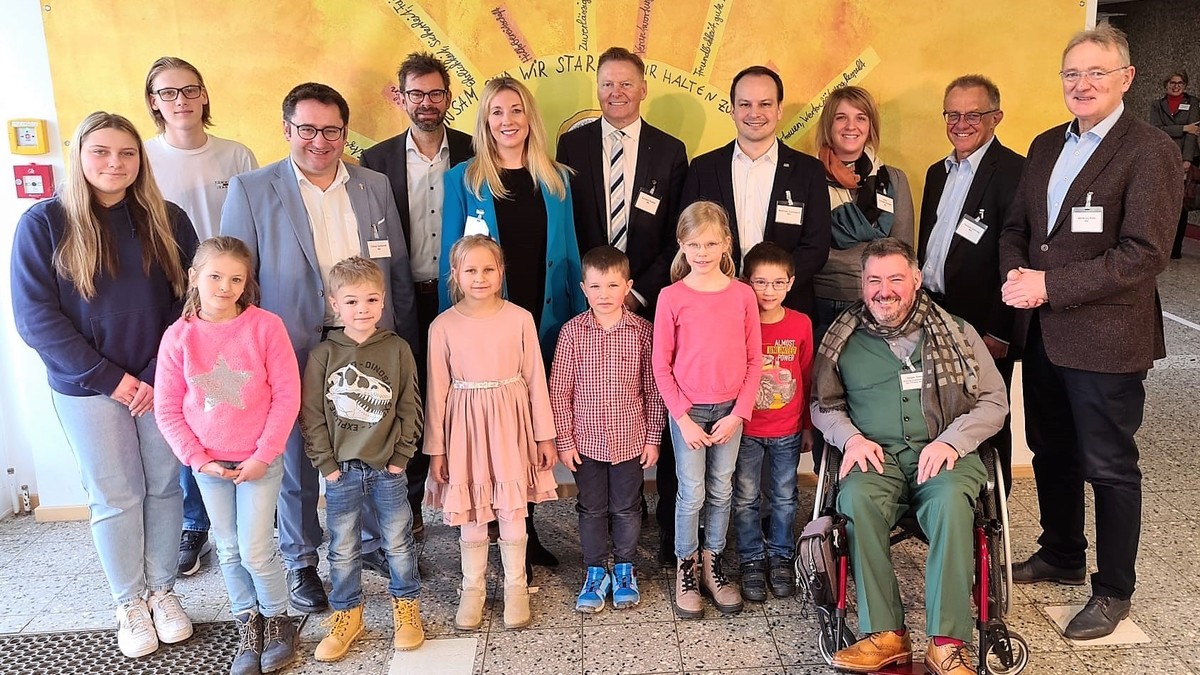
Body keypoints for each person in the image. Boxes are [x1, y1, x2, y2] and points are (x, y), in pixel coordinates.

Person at [1000, 25, 1183, 640]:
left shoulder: (1150, 149)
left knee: (1108, 466)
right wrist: (1015, 277)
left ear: (1126, 79)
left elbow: (1144, 254)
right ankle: (1060, 552)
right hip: (1044, 334)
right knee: (1051, 449)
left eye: (1096, 73)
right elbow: (1016, 229)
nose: (1082, 84)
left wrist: (1049, 286)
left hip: (1107, 339)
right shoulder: (1047, 144)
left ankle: (1113, 590)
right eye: (1072, 74)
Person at [221, 82, 418, 613]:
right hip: (293, 343)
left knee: (372, 441)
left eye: (330, 130)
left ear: (344, 133)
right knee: (301, 456)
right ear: (287, 130)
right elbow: (240, 281)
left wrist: (400, 335)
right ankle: (302, 560)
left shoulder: (373, 185)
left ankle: (373, 543)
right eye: (306, 129)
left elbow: (393, 263)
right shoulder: (251, 188)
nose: (319, 140)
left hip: (365, 338)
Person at [10, 112, 198, 658]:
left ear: (141, 160)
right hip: (88, 389)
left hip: (160, 380)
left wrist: (156, 375)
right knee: (116, 495)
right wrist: (114, 381)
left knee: (165, 488)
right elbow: (36, 320)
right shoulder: (44, 223)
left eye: (127, 153)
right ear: (79, 156)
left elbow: (189, 303)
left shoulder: (167, 218)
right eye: (101, 152)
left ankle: (162, 590)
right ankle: (129, 601)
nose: (115, 163)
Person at [811, 238, 1007, 675]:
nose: (885, 290)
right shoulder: (842, 338)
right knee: (856, 501)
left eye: (896, 278)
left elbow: (994, 401)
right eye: (874, 280)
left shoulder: (957, 332)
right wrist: (850, 439)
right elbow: (823, 405)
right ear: (862, 285)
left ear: (916, 280)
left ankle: (946, 642)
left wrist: (951, 441)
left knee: (953, 506)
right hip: (876, 458)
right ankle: (886, 634)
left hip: (945, 456)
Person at [439, 76, 586, 571]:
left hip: (542, 321)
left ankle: (523, 527)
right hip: (485, 326)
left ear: (531, 118)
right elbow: (452, 258)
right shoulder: (464, 178)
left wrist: (571, 322)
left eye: (517, 110)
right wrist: (453, 325)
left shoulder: (557, 178)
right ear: (485, 120)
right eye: (498, 112)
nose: (508, 121)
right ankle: (491, 527)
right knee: (490, 431)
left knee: (525, 428)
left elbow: (568, 253)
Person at [555, 47, 688, 565]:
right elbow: (568, 223)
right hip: (591, 295)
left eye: (626, 84)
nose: (616, 93)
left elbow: (675, 233)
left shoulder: (669, 150)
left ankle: (652, 513)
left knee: (648, 384)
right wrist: (595, 287)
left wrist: (638, 290)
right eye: (607, 84)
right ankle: (601, 513)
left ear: (642, 88)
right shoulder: (572, 144)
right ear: (598, 89)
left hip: (645, 294)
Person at [154, 237, 299, 675]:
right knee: (229, 547)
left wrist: (265, 453)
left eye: (236, 279)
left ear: (246, 283)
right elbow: (168, 406)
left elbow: (287, 395)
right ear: (193, 277)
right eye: (215, 276)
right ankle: (247, 623)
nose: (225, 286)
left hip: (259, 460)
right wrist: (197, 459)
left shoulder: (266, 326)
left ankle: (278, 619)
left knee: (256, 548)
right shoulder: (178, 337)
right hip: (209, 465)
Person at [142, 55, 259, 578]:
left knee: (242, 398)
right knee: (195, 405)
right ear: (154, 102)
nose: (181, 101)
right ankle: (197, 522)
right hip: (175, 298)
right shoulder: (142, 159)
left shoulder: (235, 155)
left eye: (190, 90)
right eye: (168, 93)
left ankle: (256, 510)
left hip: (234, 299)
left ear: (205, 95)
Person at [359, 52, 474, 538]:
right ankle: (408, 512)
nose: (427, 103)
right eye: (417, 94)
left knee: (463, 395)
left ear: (449, 98)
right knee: (407, 397)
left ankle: (467, 498)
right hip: (402, 297)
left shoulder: (475, 148)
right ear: (401, 97)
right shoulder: (377, 160)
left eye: (436, 93)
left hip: (461, 297)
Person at [424, 235, 559, 631]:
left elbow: (536, 378)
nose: (480, 277)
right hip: (465, 428)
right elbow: (436, 391)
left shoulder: (519, 318)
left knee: (513, 507)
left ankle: (516, 587)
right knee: (473, 511)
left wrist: (544, 435)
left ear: (501, 272)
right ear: (455, 275)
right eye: (470, 270)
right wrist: (438, 449)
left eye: (488, 269)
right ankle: (473, 588)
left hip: (512, 423)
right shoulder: (442, 326)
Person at [302, 256, 424, 660]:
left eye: (371, 300)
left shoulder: (397, 348)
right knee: (342, 547)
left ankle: (406, 608)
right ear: (335, 304)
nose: (362, 309)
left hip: (388, 468)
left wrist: (401, 457)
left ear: (383, 300)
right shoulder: (322, 355)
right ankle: (347, 613)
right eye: (351, 301)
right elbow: (313, 416)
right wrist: (328, 467)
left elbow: (410, 405)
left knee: (398, 542)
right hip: (341, 472)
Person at [653, 201, 761, 619]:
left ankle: (713, 564)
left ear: (726, 244)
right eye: (693, 244)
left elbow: (755, 360)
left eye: (711, 243)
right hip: (688, 414)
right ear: (682, 244)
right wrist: (681, 418)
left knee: (721, 487)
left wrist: (738, 413)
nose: (702, 252)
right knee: (692, 490)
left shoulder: (742, 296)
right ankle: (687, 565)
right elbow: (661, 365)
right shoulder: (671, 297)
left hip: (731, 411)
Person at [916, 74, 1023, 493]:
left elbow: (1017, 256)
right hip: (935, 312)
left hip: (985, 321)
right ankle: (946, 494)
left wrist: (1001, 329)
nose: (961, 123)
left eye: (973, 114)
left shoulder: (1015, 172)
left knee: (989, 412)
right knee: (939, 408)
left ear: (995, 117)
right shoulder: (936, 173)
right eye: (953, 114)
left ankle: (993, 506)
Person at [549, 245, 666, 613]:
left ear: (627, 287)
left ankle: (626, 568)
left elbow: (654, 390)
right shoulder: (571, 334)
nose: (604, 295)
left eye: (613, 286)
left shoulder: (643, 333)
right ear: (583, 288)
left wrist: (652, 437)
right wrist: (564, 442)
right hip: (585, 443)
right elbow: (560, 391)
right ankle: (596, 570)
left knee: (628, 509)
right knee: (591, 508)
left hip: (630, 441)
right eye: (596, 287)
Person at [681, 65, 832, 317]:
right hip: (715, 307)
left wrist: (772, 288)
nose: (755, 113)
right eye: (745, 104)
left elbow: (816, 246)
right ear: (732, 109)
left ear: (779, 109)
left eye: (765, 104)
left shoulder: (809, 171)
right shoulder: (703, 169)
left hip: (786, 309)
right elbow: (688, 238)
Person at [731, 242, 814, 603]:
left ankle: (781, 556)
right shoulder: (738, 324)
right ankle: (751, 558)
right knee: (746, 497)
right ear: (746, 282)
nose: (768, 291)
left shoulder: (801, 323)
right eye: (760, 282)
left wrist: (809, 424)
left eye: (777, 283)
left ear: (791, 283)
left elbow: (808, 374)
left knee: (784, 497)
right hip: (747, 429)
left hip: (788, 429)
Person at [811, 85, 914, 343]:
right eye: (841, 117)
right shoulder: (807, 177)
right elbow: (804, 245)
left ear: (870, 126)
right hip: (819, 302)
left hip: (879, 301)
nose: (851, 126)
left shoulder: (893, 180)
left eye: (861, 118)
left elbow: (903, 249)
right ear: (829, 125)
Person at [1147, 69, 1200, 259]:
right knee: (1163, 202)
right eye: (1172, 83)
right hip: (1164, 156)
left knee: (1181, 204)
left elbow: (1193, 135)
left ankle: (1175, 249)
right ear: (1165, 85)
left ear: (1185, 85)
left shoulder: (1192, 103)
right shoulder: (1157, 105)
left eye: (1179, 83)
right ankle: (1160, 245)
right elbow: (1156, 130)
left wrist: (1186, 160)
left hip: (1186, 158)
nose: (1176, 86)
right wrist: (1184, 128)